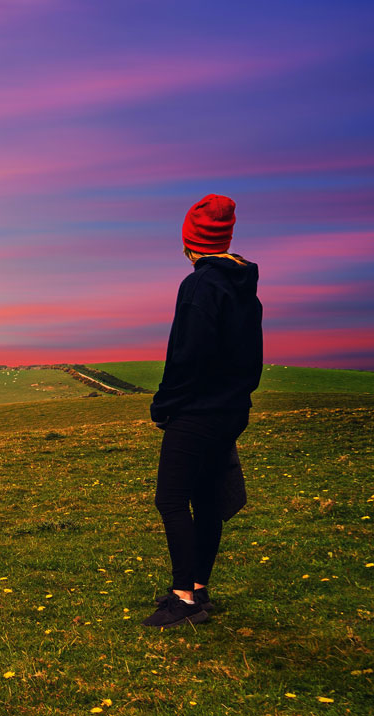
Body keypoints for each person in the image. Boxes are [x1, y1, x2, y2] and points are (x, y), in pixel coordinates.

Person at [141, 194, 263, 629]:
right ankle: (198, 587)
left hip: (198, 412)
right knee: (207, 500)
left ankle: (184, 599)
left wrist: (164, 405)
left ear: (190, 241)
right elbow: (249, 358)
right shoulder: (243, 287)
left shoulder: (198, 286)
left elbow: (186, 358)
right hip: (230, 410)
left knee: (172, 499)